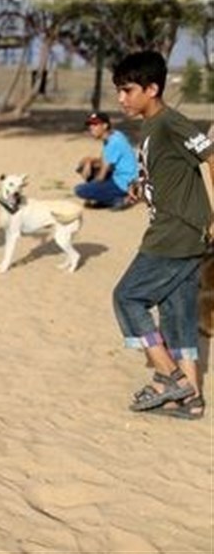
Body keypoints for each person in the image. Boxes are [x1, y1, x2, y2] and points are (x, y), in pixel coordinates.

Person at [111, 50, 213, 420]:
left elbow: (211, 156)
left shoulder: (170, 122)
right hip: (177, 231)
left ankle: (171, 379)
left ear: (152, 89)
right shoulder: (151, 126)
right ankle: (192, 399)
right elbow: (169, 170)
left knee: (127, 297)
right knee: (177, 315)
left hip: (176, 234)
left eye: (128, 90)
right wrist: (143, 185)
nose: (121, 98)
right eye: (119, 90)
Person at [74, 111, 138, 210]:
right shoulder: (114, 135)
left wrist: (90, 191)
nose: (91, 128)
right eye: (90, 125)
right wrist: (88, 161)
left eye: (95, 125)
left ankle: (120, 199)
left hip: (123, 184)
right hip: (127, 180)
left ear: (105, 125)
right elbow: (104, 159)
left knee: (79, 190)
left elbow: (101, 176)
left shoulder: (113, 142)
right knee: (84, 166)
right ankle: (105, 197)